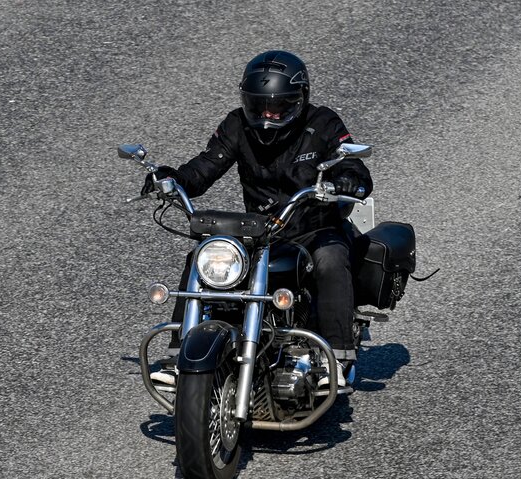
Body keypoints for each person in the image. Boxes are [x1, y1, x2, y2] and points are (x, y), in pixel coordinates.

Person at [146, 50, 372, 393]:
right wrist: (171, 180)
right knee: (204, 257)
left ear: (299, 99)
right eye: (259, 105)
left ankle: (337, 360)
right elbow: (206, 166)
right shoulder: (238, 124)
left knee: (330, 259)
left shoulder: (323, 122)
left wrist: (347, 180)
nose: (268, 114)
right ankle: (181, 358)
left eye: (278, 106)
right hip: (263, 231)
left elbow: (354, 167)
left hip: (314, 228)